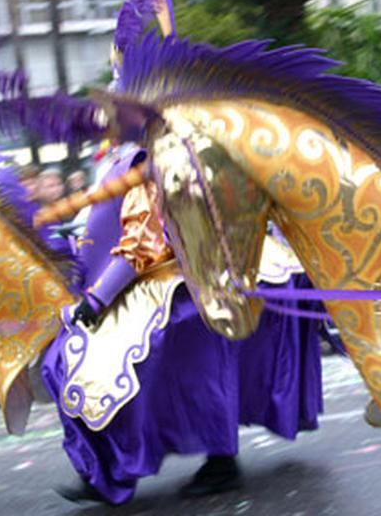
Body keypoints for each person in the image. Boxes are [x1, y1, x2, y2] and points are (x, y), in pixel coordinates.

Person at [43, 145, 323, 505]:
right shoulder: (137, 154)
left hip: (193, 285)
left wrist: (98, 300)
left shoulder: (147, 157)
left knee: (130, 365)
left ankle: (210, 463)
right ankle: (115, 469)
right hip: (191, 278)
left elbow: (144, 240)